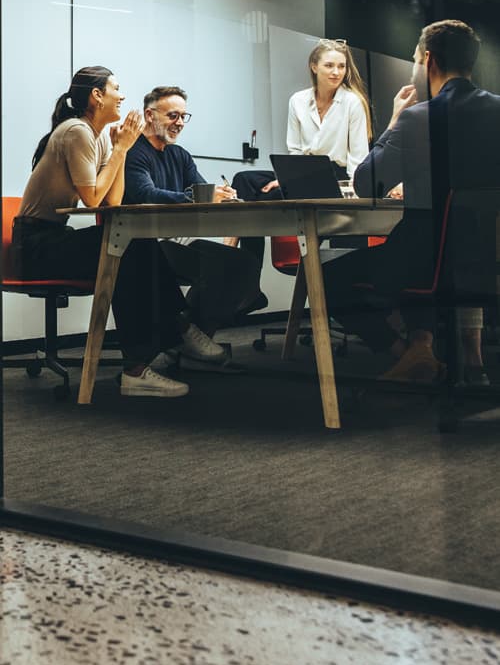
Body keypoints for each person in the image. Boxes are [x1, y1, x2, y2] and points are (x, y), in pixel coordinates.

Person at [13, 67, 226, 399]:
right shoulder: (77, 132)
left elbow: (112, 201)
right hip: (35, 246)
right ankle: (168, 340)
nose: (122, 95)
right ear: (97, 96)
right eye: (116, 88)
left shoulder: (97, 137)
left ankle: (157, 349)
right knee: (126, 248)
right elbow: (94, 199)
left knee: (130, 245)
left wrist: (119, 151)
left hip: (51, 239)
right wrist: (123, 150)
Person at [321, 19, 500, 382]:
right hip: (486, 254)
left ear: (428, 61)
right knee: (449, 251)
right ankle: (462, 359)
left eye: (415, 59)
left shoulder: (419, 118)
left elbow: (367, 184)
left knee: (326, 279)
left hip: (429, 257)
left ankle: (407, 354)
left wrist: (394, 120)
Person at [123, 86, 264, 349]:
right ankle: (188, 335)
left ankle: (193, 331)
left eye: (183, 117)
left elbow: (201, 191)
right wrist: (203, 196)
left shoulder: (180, 155)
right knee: (226, 267)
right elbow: (146, 194)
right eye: (172, 116)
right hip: (146, 246)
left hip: (177, 241)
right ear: (149, 115)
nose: (179, 123)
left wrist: (224, 195)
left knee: (244, 262)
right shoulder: (133, 152)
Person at [230, 38, 372, 267]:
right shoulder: (298, 100)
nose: (336, 72)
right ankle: (249, 275)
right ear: (314, 66)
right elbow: (294, 149)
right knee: (243, 181)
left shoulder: (352, 102)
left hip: (336, 175)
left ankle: (237, 245)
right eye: (329, 65)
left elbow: (358, 156)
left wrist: (355, 193)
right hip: (301, 171)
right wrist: (284, 179)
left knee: (260, 200)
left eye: (341, 66)